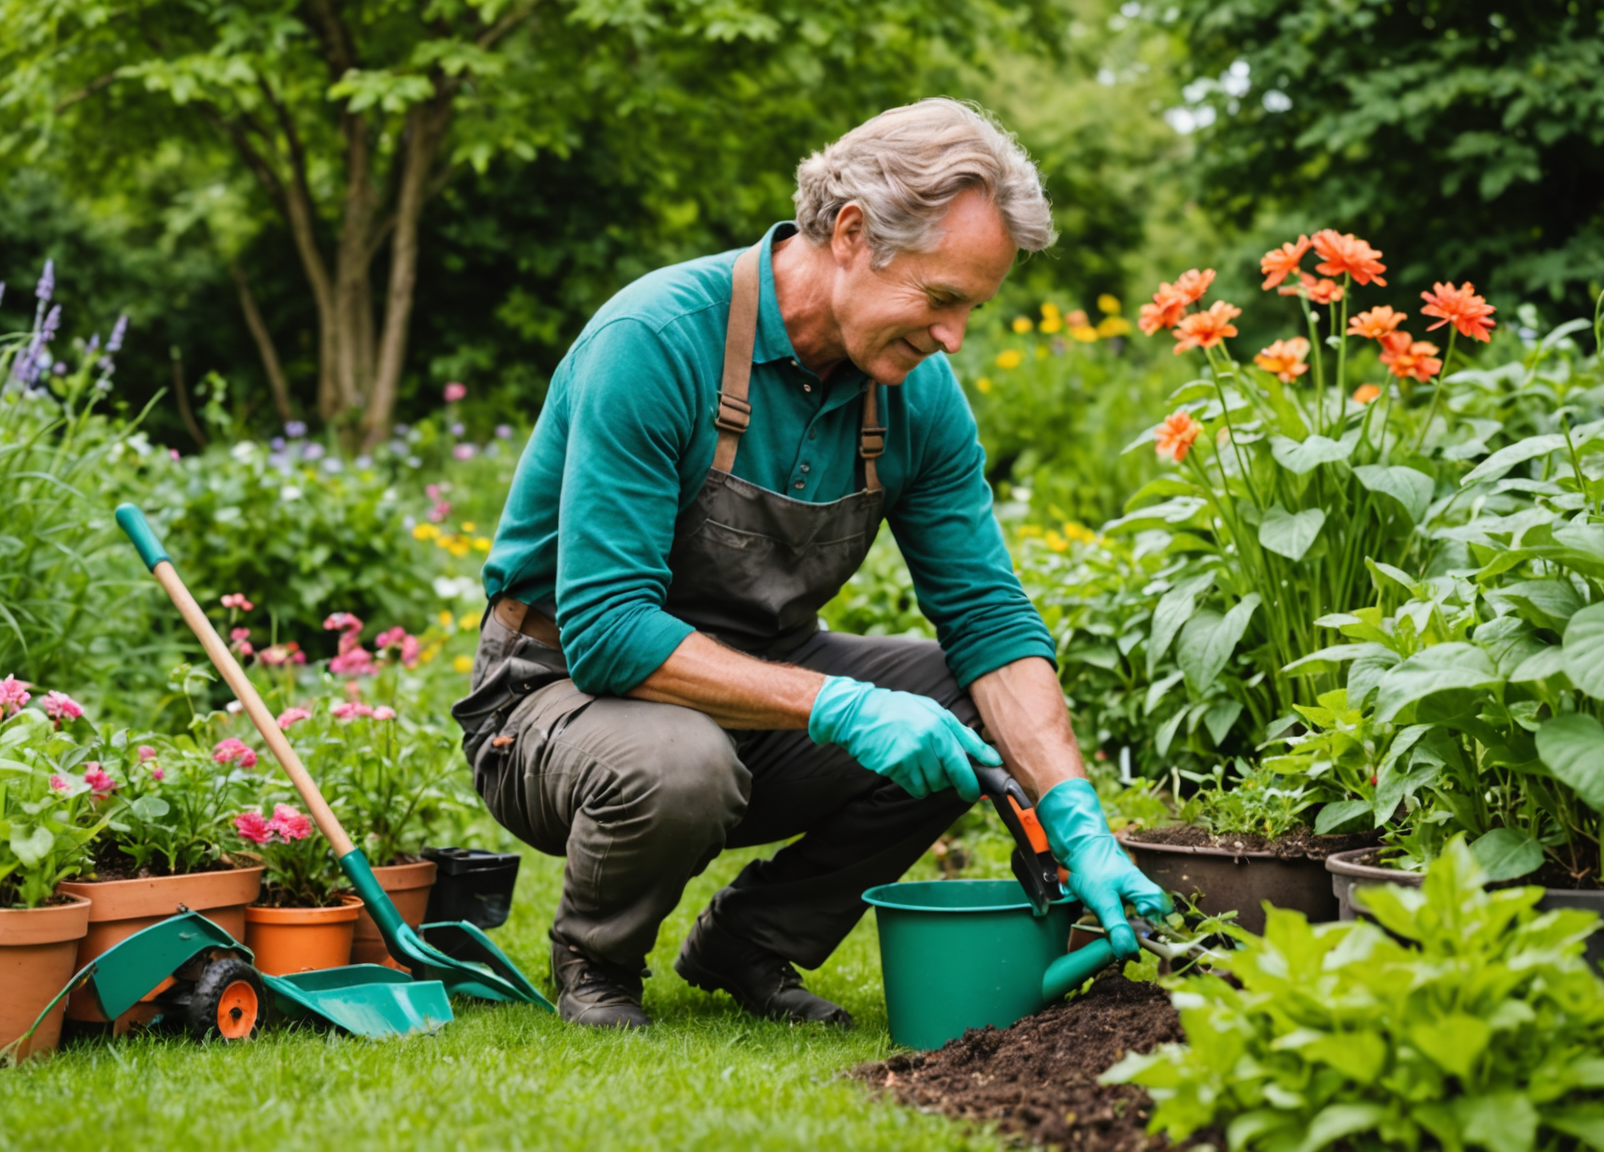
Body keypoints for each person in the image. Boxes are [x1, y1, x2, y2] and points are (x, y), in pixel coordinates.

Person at [452, 98, 1168, 1029]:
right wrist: (843, 706)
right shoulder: (657, 341)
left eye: (972, 308)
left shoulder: (916, 395)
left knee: (968, 707)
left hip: (760, 691)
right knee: (681, 761)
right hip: (555, 701)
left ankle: (752, 938)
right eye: (940, 298)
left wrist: (1074, 814)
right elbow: (608, 633)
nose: (954, 336)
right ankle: (597, 961)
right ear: (852, 234)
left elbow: (989, 618)